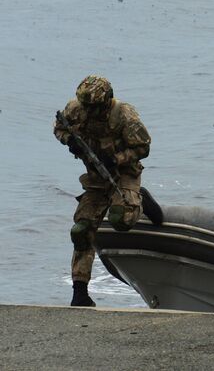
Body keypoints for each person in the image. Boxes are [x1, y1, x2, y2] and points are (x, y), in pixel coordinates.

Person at [53, 75, 151, 306]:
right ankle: (80, 292)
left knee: (121, 219)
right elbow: (59, 128)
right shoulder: (75, 110)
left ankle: (141, 198)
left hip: (124, 172)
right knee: (81, 230)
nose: (89, 111)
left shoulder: (124, 115)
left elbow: (143, 148)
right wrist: (70, 140)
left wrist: (117, 158)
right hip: (96, 178)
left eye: (94, 107)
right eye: (86, 106)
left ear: (105, 101)